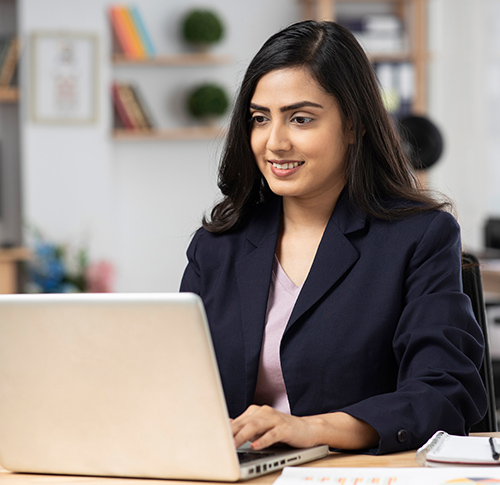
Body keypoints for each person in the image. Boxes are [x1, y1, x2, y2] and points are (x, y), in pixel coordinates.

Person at [180, 20, 487, 455]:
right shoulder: (217, 246)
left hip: (358, 477)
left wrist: (310, 429)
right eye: (260, 119)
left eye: (301, 119)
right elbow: (177, 390)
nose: (275, 142)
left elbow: (442, 394)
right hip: (234, 481)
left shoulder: (419, 238)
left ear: (353, 125)